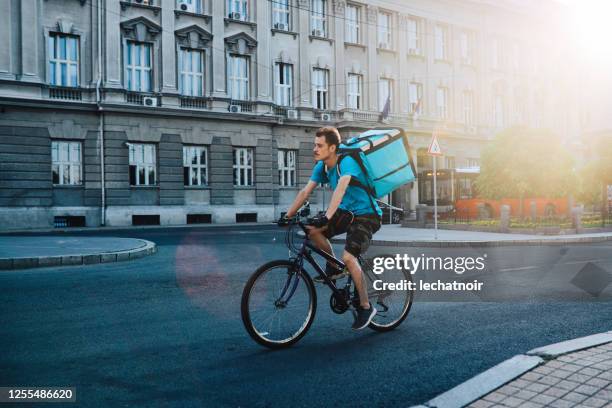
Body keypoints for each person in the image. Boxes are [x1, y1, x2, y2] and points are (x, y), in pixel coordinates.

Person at [282, 127, 382, 330]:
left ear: (332, 147)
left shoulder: (347, 161)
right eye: (314, 145)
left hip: (366, 215)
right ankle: (334, 268)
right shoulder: (322, 166)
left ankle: (365, 306)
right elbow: (305, 192)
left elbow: (341, 188)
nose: (315, 149)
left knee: (348, 257)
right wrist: (287, 216)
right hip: (346, 212)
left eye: (319, 145)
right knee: (312, 229)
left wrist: (327, 216)